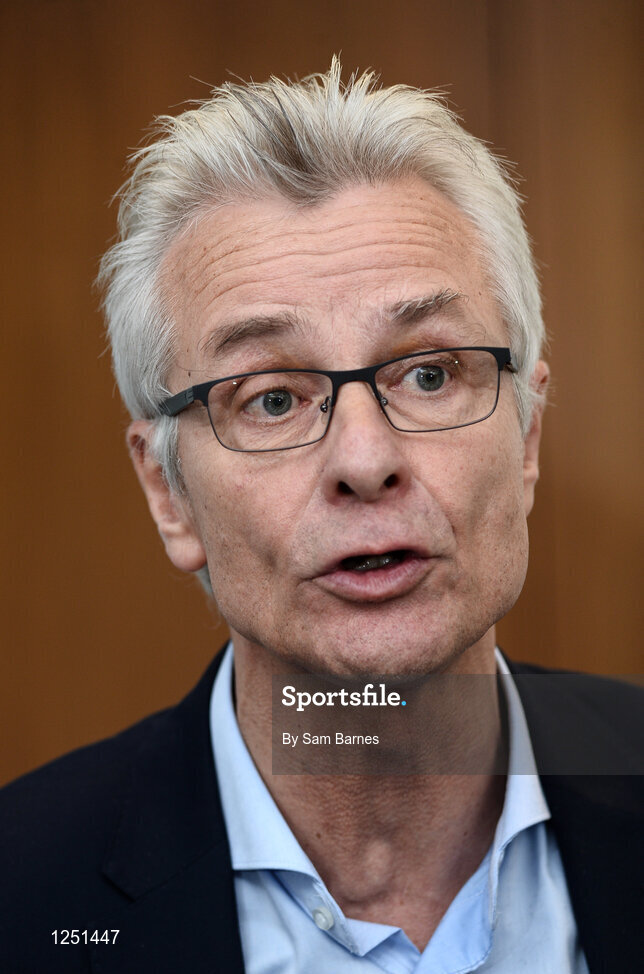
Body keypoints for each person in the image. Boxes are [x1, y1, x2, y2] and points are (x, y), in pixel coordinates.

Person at [0, 60, 641, 974]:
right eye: (271, 399)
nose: (365, 461)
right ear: (168, 494)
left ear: (527, 435)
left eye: (429, 374)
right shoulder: (23, 897)